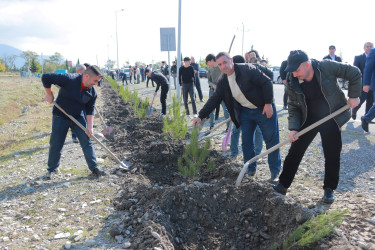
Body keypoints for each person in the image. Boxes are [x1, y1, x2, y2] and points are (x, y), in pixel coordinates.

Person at [273, 50, 361, 204]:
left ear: (307, 65)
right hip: (308, 116)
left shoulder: (326, 66)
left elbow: (354, 72)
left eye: (297, 70)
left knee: (332, 153)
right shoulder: (292, 79)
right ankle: (283, 184)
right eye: (292, 71)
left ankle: (329, 189)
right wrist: (293, 128)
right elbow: (293, 105)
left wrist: (354, 95)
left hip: (331, 114)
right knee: (295, 150)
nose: (294, 74)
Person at [193, 52, 281, 181]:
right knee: (246, 143)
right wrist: (200, 116)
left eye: (225, 62)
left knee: (271, 140)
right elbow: (214, 99)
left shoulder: (247, 69)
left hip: (263, 108)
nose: (223, 66)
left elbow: (267, 81)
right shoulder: (223, 81)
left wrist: (268, 103)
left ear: (231, 60)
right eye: (220, 64)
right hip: (246, 112)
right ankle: (250, 170)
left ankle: (275, 173)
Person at [42, 65, 107, 180]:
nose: (96, 84)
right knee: (56, 143)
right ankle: (52, 169)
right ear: (86, 76)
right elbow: (46, 77)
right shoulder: (69, 79)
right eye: (95, 80)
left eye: (98, 81)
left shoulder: (92, 93)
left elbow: (90, 110)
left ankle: (94, 168)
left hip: (78, 117)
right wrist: (49, 94)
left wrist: (90, 127)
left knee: (86, 141)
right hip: (60, 115)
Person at [205, 53, 230, 130]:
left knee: (226, 109)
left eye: (207, 62)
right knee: (211, 109)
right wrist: (213, 85)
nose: (207, 64)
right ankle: (211, 125)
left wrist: (220, 86)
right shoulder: (210, 69)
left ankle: (228, 127)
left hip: (222, 92)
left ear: (212, 60)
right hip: (213, 91)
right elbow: (209, 81)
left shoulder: (221, 67)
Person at [352, 42, 374, 120]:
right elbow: (355, 71)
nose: (369, 48)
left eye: (371, 46)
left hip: (372, 84)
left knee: (370, 102)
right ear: (364, 48)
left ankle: (365, 118)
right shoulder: (358, 58)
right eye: (367, 46)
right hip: (362, 84)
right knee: (361, 100)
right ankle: (354, 111)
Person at [70, 64, 87, 144]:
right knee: (74, 120)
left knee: (83, 118)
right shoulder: (72, 78)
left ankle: (83, 135)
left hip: (82, 102)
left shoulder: (82, 78)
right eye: (84, 71)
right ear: (79, 71)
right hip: (73, 103)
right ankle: (74, 136)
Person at [361, 48, 375, 132]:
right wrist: (366, 83)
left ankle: (366, 119)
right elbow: (368, 68)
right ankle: (366, 119)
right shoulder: (373, 51)